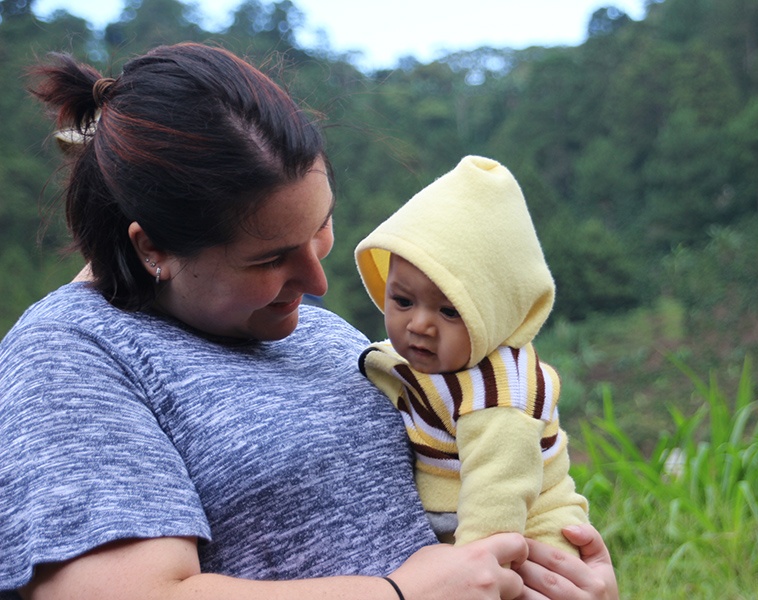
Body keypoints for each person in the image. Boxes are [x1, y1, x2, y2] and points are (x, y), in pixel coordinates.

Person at [0, 43, 618, 600]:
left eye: (319, 227)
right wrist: (398, 594)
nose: (318, 283)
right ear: (153, 249)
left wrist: (569, 578)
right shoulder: (71, 355)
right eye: (270, 258)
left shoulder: (319, 334)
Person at [355, 156, 589, 555]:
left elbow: (497, 500)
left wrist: (473, 570)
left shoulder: (498, 396)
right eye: (403, 300)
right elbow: (391, 367)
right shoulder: (427, 357)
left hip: (531, 536)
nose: (420, 325)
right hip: (451, 517)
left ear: (496, 314)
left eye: (449, 311)